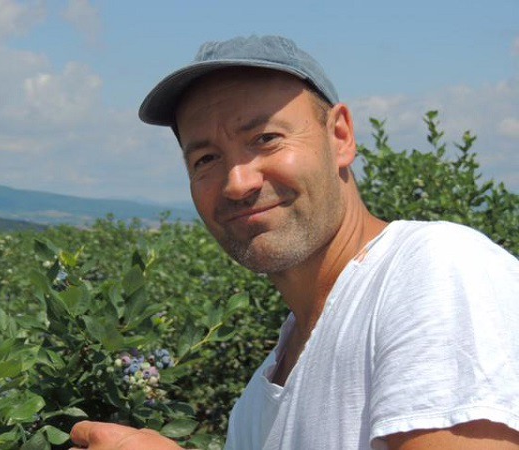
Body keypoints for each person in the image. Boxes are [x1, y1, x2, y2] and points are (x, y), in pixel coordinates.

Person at [70, 35, 519, 450]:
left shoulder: (436, 271)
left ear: (340, 137)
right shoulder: (255, 405)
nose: (237, 183)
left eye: (266, 139)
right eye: (206, 159)